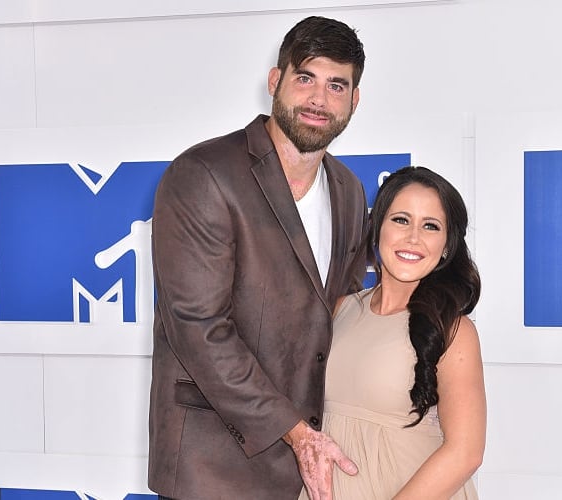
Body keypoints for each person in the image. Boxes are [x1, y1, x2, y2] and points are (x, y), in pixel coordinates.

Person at [147, 16, 368, 500]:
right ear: (274, 81)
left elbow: (343, 315)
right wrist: (297, 433)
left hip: (309, 470)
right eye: (305, 78)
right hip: (213, 470)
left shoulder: (349, 191)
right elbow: (198, 327)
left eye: (336, 86)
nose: (319, 99)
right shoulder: (204, 173)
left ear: (354, 101)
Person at [300, 166, 486, 500]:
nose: (413, 237)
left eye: (430, 226)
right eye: (401, 220)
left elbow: (465, 452)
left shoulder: (454, 330)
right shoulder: (340, 309)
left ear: (446, 246)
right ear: (377, 229)